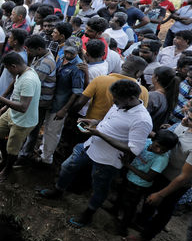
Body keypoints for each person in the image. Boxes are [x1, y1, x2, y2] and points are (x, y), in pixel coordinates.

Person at [40, 80, 153, 228]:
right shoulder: (121, 104)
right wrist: (94, 122)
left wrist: (100, 133)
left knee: (99, 187)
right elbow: (111, 121)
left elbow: (133, 149)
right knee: (67, 166)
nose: (114, 101)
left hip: (107, 160)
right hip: (89, 146)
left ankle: (88, 214)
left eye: (117, 99)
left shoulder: (142, 120)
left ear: (131, 98)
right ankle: (58, 190)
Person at [125, 102, 192, 241]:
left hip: (175, 181)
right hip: (161, 170)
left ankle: (146, 237)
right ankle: (140, 222)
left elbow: (185, 177)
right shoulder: (186, 124)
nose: (184, 120)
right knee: (148, 200)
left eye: (191, 120)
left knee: (164, 209)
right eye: (186, 115)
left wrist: (162, 194)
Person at [0, 52, 42, 182]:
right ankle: (4, 161)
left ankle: (7, 170)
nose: (8, 72)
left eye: (8, 68)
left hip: (23, 120)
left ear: (14, 66)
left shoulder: (28, 80)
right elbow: (17, 94)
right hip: (12, 113)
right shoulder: (20, 73)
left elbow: (23, 107)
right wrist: (6, 107)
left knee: (12, 148)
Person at [115, 130, 178, 236]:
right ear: (153, 140)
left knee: (130, 206)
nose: (158, 150)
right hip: (129, 177)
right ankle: (114, 211)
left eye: (164, 149)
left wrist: (128, 166)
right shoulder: (147, 142)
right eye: (157, 145)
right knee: (121, 195)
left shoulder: (162, 159)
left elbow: (148, 177)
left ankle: (123, 228)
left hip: (139, 185)